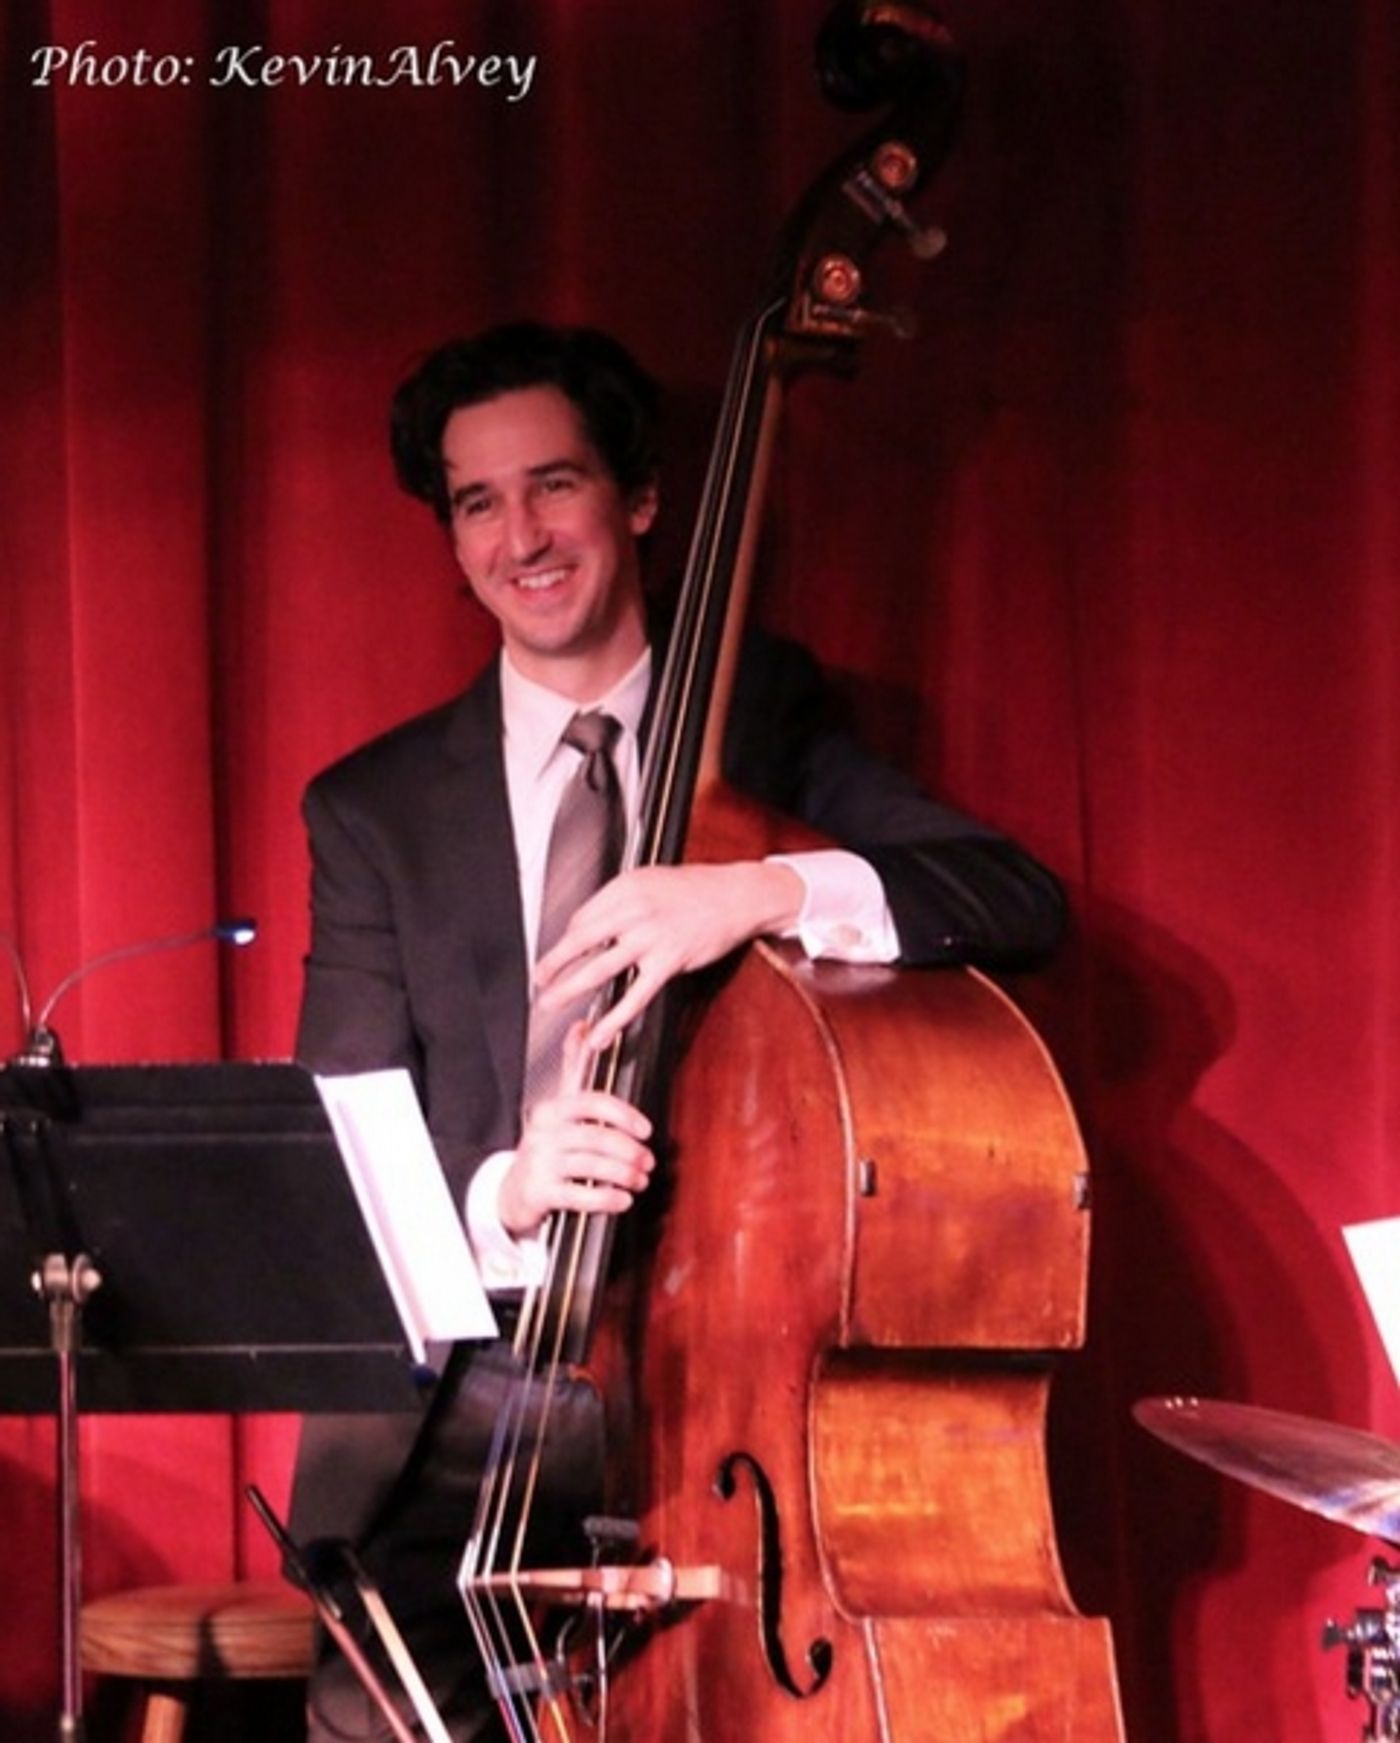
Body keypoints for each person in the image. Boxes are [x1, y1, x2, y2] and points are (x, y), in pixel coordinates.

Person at [291, 321, 1065, 1740]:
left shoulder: (762, 719)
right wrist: (506, 1190)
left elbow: (1013, 897)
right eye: (477, 502)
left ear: (641, 500)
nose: (521, 535)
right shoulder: (371, 809)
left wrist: (757, 888)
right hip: (479, 1381)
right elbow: (343, 1134)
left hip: (726, 1375)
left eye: (555, 485)